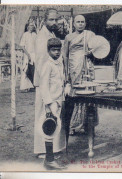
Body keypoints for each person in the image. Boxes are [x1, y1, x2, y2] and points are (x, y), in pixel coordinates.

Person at [34, 8, 66, 158]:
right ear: (45, 21)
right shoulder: (42, 37)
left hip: (53, 83)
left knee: (54, 116)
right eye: (51, 20)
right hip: (45, 83)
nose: (54, 22)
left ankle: (53, 149)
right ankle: (42, 150)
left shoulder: (52, 34)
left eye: (56, 19)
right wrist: (46, 87)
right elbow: (42, 64)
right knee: (44, 115)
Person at [63, 15, 96, 135]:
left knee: (89, 94)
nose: (80, 24)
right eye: (78, 22)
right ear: (74, 24)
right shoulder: (69, 37)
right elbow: (65, 55)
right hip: (74, 69)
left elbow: (96, 51)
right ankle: (73, 125)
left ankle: (88, 125)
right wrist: (66, 72)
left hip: (87, 68)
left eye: (82, 22)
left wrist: (90, 53)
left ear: (85, 23)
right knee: (74, 96)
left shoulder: (90, 35)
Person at [40, 38, 66, 170]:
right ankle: (49, 160)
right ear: (48, 51)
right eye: (53, 50)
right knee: (49, 128)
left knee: (55, 127)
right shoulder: (47, 65)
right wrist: (48, 105)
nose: (56, 52)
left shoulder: (59, 62)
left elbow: (61, 80)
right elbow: (43, 86)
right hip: (51, 101)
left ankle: (49, 158)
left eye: (58, 50)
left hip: (58, 99)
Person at [19, 21, 36, 92]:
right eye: (30, 25)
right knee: (26, 69)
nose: (31, 27)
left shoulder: (35, 34)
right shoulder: (25, 34)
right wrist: (28, 55)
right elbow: (22, 46)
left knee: (34, 70)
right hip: (27, 54)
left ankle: (32, 86)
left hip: (34, 54)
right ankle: (24, 87)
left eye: (33, 25)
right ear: (27, 26)